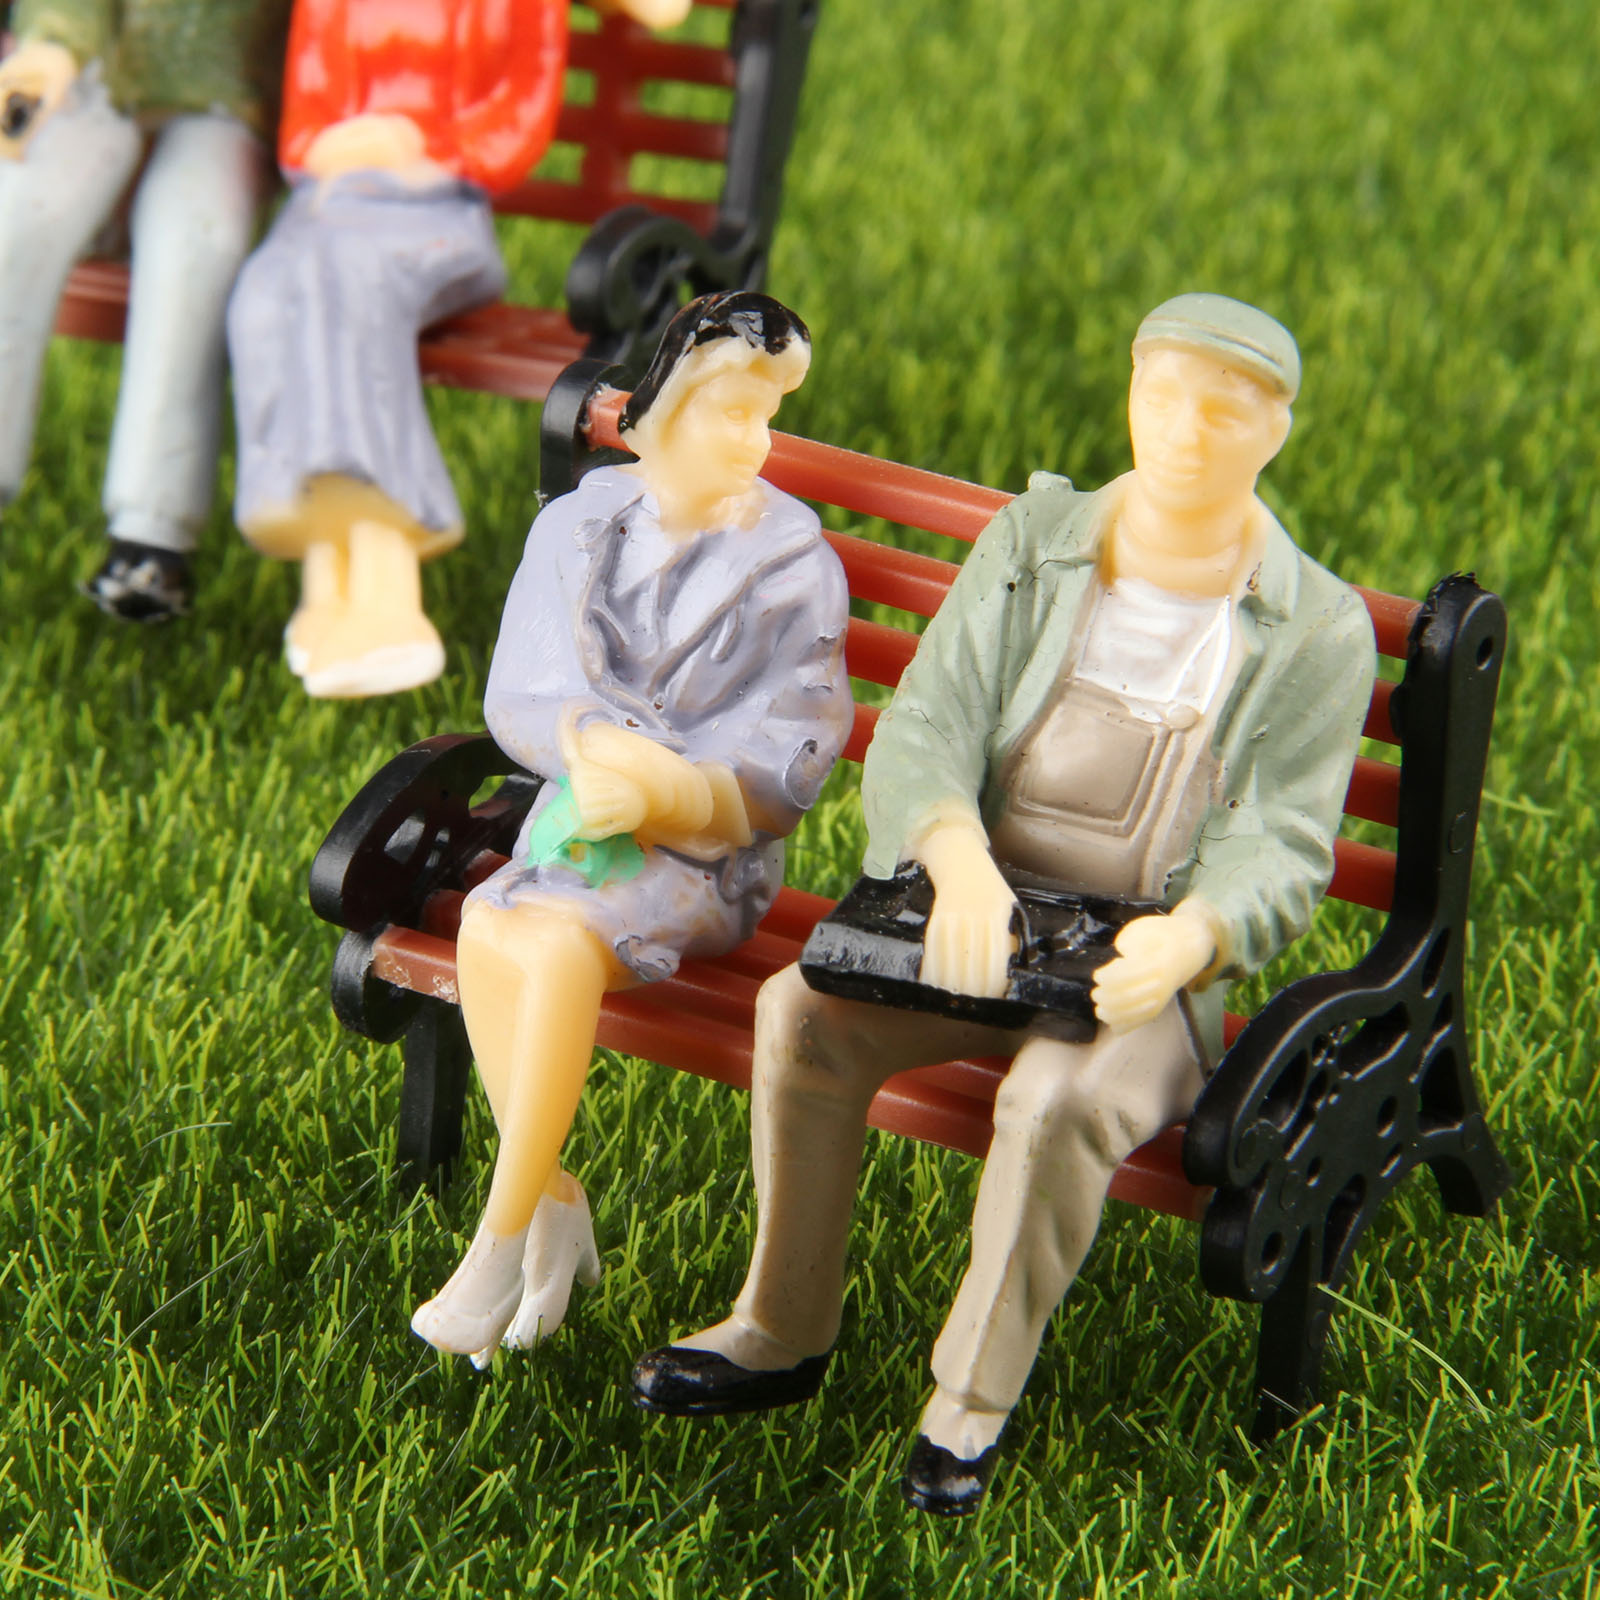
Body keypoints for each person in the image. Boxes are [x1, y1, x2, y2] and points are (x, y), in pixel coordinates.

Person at [630, 294, 1378, 1515]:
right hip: (977, 914)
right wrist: (956, 859)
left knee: (1050, 1100)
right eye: (1161, 397)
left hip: (1139, 964)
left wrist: (1190, 939)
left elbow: (1282, 838)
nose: (1183, 432)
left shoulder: (1312, 627)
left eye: (1224, 412)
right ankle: (780, 1322)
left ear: (1275, 433)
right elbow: (931, 718)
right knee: (801, 1014)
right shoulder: (1037, 542)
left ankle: (968, 1403)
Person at [408, 292, 853, 1367]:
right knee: (489, 925)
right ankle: (552, 1199)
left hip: (705, 857)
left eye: (767, 417)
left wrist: (673, 793)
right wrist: (584, 740)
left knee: (554, 940)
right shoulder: (577, 526)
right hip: (574, 820)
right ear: (657, 413)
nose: (754, 440)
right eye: (730, 413)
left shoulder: (794, 563)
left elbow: (791, 755)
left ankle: (497, 1244)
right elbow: (518, 690)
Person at [227, 0, 690, 698]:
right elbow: (305, 118)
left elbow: (516, 119)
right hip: (327, 206)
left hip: (434, 211)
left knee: (354, 283)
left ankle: (388, 590)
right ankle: (327, 584)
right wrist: (332, 145)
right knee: (264, 297)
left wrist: (417, 145)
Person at [0, 0, 292, 620]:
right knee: (17, 207)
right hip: (95, 79)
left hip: (228, 101)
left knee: (195, 238)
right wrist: (54, 44)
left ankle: (152, 532)